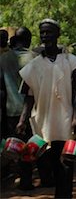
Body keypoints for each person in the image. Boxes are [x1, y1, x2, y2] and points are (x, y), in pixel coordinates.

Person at [17, 19, 76, 198]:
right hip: (42, 121)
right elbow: (28, 97)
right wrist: (22, 120)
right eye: (43, 32)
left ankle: (64, 195)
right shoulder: (33, 65)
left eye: (49, 32)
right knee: (50, 162)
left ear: (57, 34)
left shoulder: (71, 62)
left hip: (65, 119)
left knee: (66, 161)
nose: (45, 35)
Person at [0, 27, 35, 190]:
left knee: (13, 145)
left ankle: (8, 177)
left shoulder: (3, 58)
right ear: (28, 40)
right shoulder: (34, 58)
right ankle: (26, 181)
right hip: (31, 110)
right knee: (29, 146)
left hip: (10, 109)